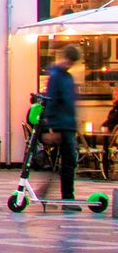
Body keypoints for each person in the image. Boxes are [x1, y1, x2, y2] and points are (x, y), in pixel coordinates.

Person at [37, 44, 81, 203]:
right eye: (69, 61)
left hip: (67, 125)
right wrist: (50, 128)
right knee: (69, 161)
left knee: (62, 162)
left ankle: (47, 190)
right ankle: (68, 198)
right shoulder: (57, 76)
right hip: (62, 125)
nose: (69, 65)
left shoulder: (65, 76)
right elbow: (51, 101)